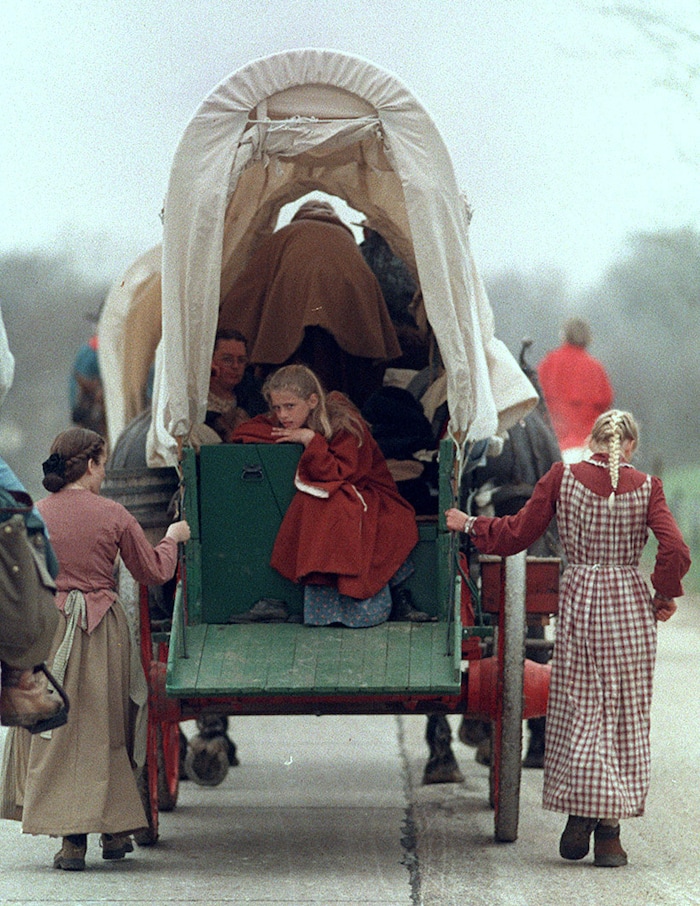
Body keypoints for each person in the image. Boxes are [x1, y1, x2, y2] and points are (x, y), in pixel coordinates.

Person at [445, 409, 690, 868]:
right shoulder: (648, 488)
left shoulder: (563, 477)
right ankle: (609, 834)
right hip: (630, 611)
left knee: (580, 708)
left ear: (594, 440)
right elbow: (675, 549)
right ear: (630, 446)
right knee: (622, 714)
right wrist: (664, 594)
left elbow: (518, 533)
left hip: (581, 603)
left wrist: (471, 525)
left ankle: (580, 810)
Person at [18, 427, 190, 871]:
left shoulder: (34, 513)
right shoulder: (113, 514)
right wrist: (173, 537)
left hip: (50, 630)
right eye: (104, 464)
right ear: (92, 465)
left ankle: (71, 843)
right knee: (109, 727)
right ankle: (114, 834)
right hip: (100, 630)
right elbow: (153, 570)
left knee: (59, 729)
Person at [231, 364, 433, 626]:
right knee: (319, 502)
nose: (283, 416)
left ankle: (366, 607)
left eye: (290, 406)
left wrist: (310, 441)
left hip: (371, 495)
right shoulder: (289, 420)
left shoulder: (345, 423)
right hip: (339, 490)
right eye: (277, 407)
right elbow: (246, 431)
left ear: (313, 400)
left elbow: (341, 473)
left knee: (332, 506)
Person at [218, 200, 402, 407]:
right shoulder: (345, 239)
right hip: (343, 323)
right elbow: (368, 287)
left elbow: (249, 288)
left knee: (291, 376)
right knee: (337, 377)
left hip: (290, 314)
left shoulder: (284, 235)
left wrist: (228, 327)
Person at [537, 317, 614, 462]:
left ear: (564, 335)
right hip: (590, 449)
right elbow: (607, 404)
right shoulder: (596, 368)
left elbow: (535, 403)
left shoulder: (549, 363)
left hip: (555, 450)